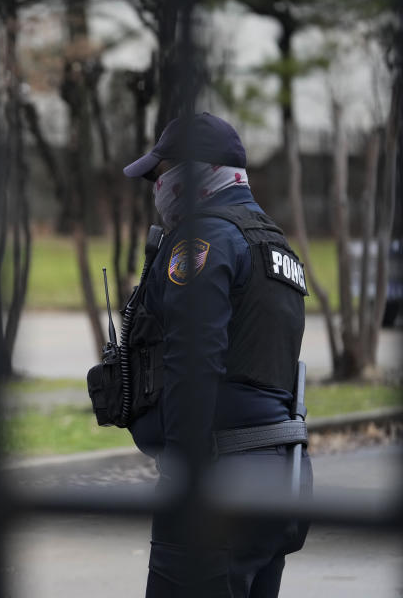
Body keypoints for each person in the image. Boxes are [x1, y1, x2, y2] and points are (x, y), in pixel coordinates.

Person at [95, 113, 312, 597]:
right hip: (280, 476)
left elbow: (195, 366)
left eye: (161, 172)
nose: (157, 185)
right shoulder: (273, 242)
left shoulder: (204, 238)